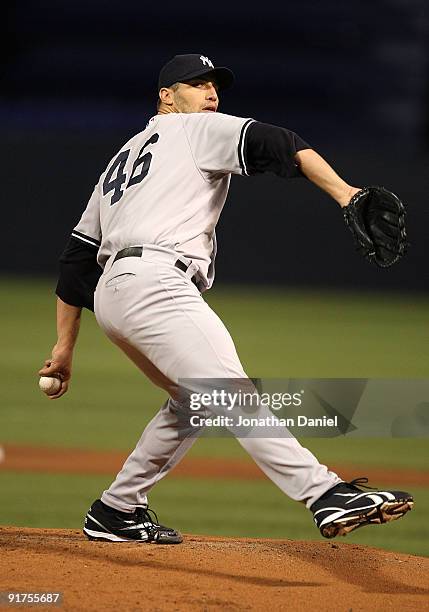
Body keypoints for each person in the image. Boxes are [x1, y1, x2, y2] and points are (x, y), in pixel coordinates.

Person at [39, 54, 413, 543]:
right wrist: (346, 194)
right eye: (196, 84)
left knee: (192, 402)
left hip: (116, 293)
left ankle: (117, 509)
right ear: (166, 98)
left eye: (215, 85)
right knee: (229, 388)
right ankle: (324, 493)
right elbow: (278, 142)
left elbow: (76, 261)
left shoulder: (123, 157)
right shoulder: (193, 130)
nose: (211, 94)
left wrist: (64, 347)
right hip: (156, 282)